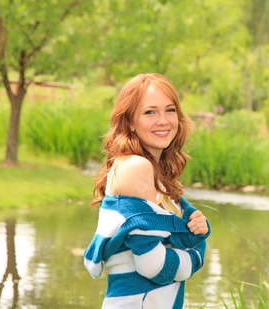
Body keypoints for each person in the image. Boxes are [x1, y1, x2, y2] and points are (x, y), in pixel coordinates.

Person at [84, 73, 210, 309]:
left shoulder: (157, 174)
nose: (163, 120)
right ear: (131, 121)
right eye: (150, 112)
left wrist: (197, 226)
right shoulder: (136, 167)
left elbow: (181, 234)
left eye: (170, 110)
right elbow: (154, 266)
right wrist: (197, 256)